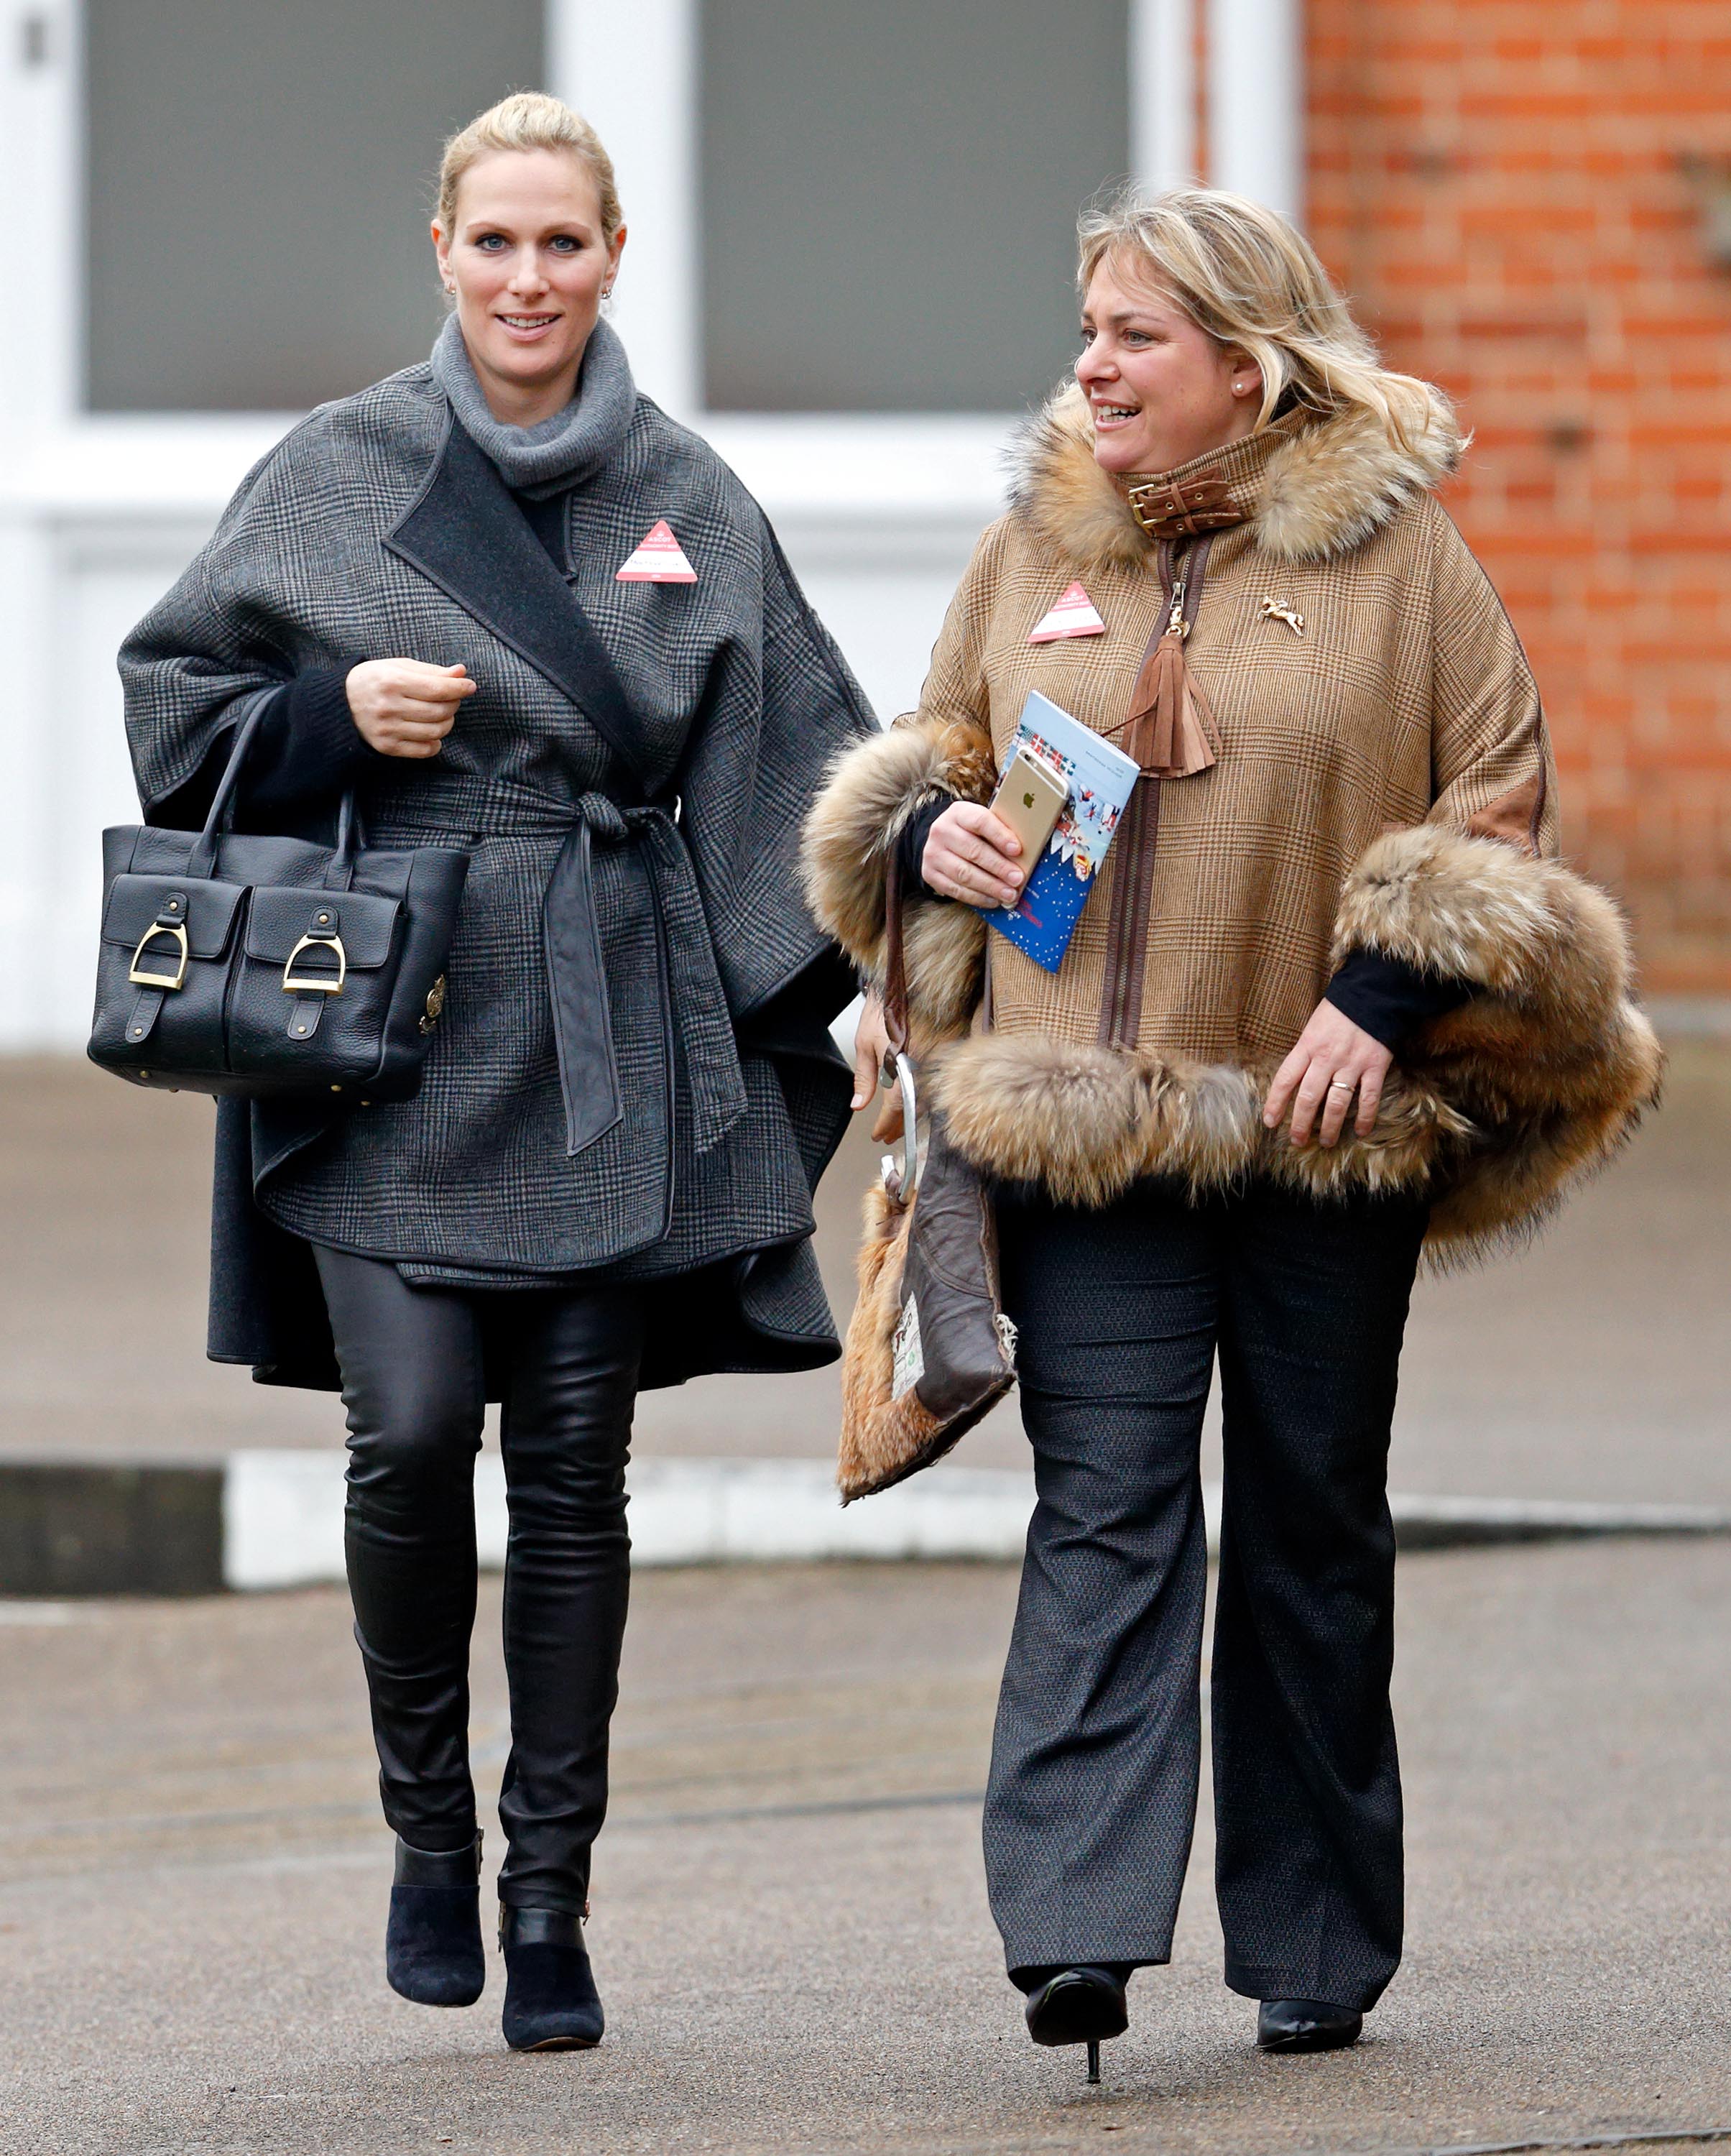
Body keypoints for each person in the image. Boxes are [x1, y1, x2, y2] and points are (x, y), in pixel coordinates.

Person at [803, 187, 1658, 2071]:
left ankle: (1313, 1943)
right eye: (1087, 327)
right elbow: (941, 765)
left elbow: (1495, 803)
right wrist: (926, 847)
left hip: (1317, 1130)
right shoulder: (1033, 537)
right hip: (1085, 1129)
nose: (1092, 365)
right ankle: (1080, 1923)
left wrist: (1376, 1000)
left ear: (1244, 365)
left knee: (1304, 1526)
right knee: (1104, 1512)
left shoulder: (1403, 563)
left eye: (1134, 337)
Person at [121, 93, 874, 2052]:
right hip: (385, 1030)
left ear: (612, 258)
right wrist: (322, 720)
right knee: (405, 1433)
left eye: (564, 243)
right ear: (439, 253)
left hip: (611, 1024)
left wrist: (871, 974)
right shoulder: (340, 468)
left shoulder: (686, 496)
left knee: (571, 1481)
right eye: (495, 242)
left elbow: (804, 758)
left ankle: (550, 1897)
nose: (528, 277)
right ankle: (425, 1836)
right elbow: (171, 702)